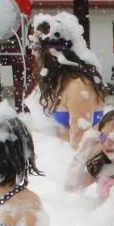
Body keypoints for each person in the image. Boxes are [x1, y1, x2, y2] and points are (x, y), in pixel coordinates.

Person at [32, 13, 108, 147]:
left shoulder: (78, 86)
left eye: (35, 46)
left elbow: (82, 142)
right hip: (60, 157)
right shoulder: (58, 82)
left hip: (79, 161)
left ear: (50, 52)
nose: (33, 53)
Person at [67, 109, 114, 202]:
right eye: (103, 137)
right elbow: (69, 187)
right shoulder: (102, 165)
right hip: (100, 215)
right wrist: (83, 150)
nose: (107, 144)